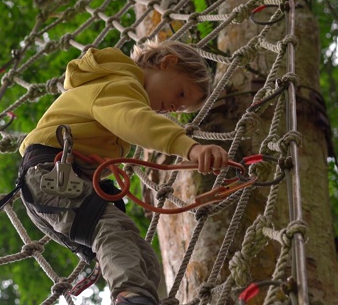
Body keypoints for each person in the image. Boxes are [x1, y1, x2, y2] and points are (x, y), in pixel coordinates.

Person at [17, 39, 229, 305]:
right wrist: (190, 148)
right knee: (111, 229)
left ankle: (141, 297)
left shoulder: (124, 90)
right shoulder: (121, 81)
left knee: (142, 256)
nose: (174, 108)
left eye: (182, 108)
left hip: (60, 183)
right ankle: (130, 298)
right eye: (181, 95)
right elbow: (135, 120)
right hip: (51, 173)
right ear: (168, 62)